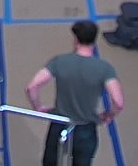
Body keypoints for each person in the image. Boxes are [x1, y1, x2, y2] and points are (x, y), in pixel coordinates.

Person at [25, 20, 124, 166]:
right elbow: (118, 102)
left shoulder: (59, 61)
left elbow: (32, 87)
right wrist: (108, 115)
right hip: (85, 128)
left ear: (75, 39)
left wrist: (38, 107)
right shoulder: (105, 68)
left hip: (59, 123)